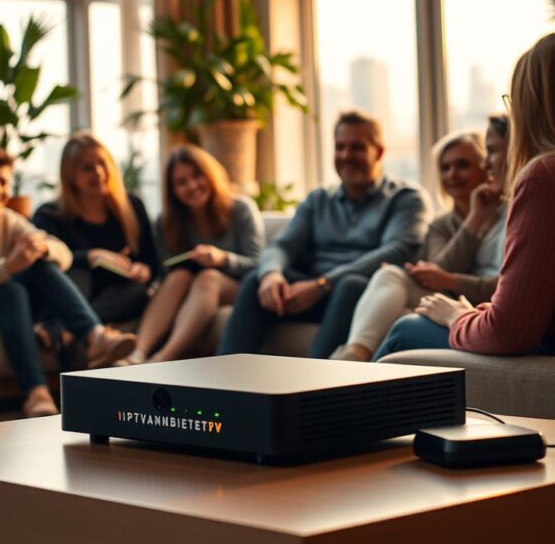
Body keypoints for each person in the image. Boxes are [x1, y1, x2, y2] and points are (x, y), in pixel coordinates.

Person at [374, 33, 555, 359]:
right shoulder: (446, 223)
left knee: (404, 331)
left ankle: (337, 395)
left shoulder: (543, 176)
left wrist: (455, 315)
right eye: (445, 167)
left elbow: (508, 331)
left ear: (531, 108)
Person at [217, 109, 432, 359]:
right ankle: (223, 390)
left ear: (380, 152)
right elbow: (282, 245)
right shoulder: (319, 199)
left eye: (357, 148)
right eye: (340, 147)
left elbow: (397, 251)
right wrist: (271, 274)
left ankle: (314, 388)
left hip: (357, 295)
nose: (346, 156)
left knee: (350, 284)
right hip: (310, 293)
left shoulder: (407, 198)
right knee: (257, 279)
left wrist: (323, 283)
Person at [0, 147, 137, 418]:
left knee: (37, 264)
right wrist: (7, 266)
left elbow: (63, 252)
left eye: (3, 182)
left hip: (7, 305)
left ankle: (95, 336)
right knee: (10, 291)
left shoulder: (7, 220)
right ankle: (35, 390)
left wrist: (42, 249)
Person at [331, 119, 508, 362]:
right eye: (445, 168)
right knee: (389, 275)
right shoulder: (441, 224)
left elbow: (446, 275)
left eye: (463, 165)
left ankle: (349, 366)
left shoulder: (510, 215)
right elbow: (440, 269)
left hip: (479, 306)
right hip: (451, 299)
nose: (452, 175)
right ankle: (354, 356)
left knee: (387, 305)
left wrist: (451, 280)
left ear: (484, 166)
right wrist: (474, 220)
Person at [121, 144, 265, 364]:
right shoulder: (167, 223)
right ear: (173, 191)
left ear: (210, 175)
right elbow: (165, 270)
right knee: (179, 276)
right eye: (181, 182)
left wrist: (222, 258)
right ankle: (136, 355)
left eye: (197, 176)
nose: (192, 186)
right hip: (190, 287)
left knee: (208, 277)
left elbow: (258, 265)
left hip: (240, 287)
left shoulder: (241, 209)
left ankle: (162, 358)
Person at [33, 133, 160, 325]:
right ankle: (79, 329)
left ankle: (70, 329)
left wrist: (144, 270)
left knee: (138, 290)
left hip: (118, 295)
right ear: (70, 175)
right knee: (78, 274)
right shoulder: (49, 215)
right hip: (75, 290)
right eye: (87, 168)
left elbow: (152, 261)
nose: (99, 173)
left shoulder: (133, 206)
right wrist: (91, 256)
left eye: (103, 164)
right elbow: (43, 260)